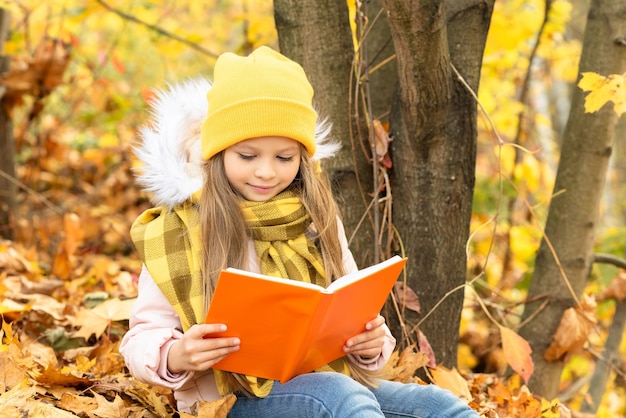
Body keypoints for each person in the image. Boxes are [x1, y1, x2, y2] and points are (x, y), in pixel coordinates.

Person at [120, 46, 479, 417]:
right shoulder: (179, 229)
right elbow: (140, 338)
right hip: (227, 402)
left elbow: (352, 309)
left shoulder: (316, 218)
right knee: (337, 396)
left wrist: (371, 344)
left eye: (284, 157)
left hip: (322, 383)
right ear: (218, 152)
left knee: (437, 405)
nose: (266, 172)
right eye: (247, 156)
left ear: (303, 158)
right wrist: (177, 355)